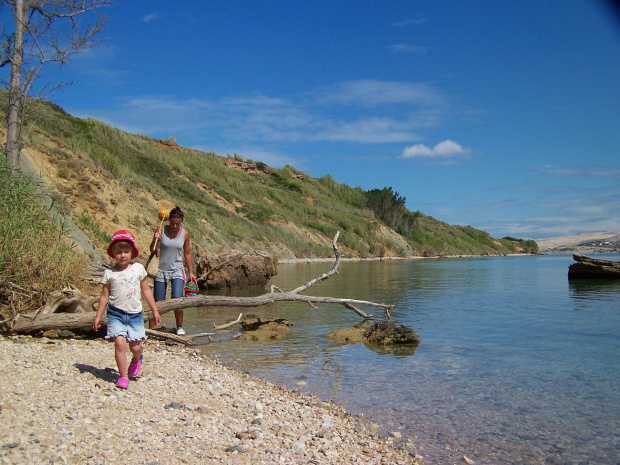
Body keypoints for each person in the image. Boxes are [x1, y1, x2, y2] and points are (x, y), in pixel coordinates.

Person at [93, 230, 161, 389]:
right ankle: (123, 377)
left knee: (135, 347)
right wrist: (98, 316)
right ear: (113, 254)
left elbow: (146, 290)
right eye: (119, 252)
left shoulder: (138, 269)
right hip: (115, 314)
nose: (123, 255)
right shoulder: (109, 273)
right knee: (120, 344)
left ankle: (137, 358)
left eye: (126, 252)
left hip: (135, 315)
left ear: (132, 252)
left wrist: (154, 311)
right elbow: (104, 296)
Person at [149, 206, 195, 335]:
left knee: (177, 298)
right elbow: (152, 250)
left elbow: (187, 253)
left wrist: (191, 272)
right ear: (169, 220)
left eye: (177, 224)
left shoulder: (185, 234)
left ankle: (179, 327)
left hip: (177, 269)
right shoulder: (160, 229)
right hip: (161, 269)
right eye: (173, 223)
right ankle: (150, 329)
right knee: (158, 301)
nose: (175, 226)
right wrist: (156, 238)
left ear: (182, 222)